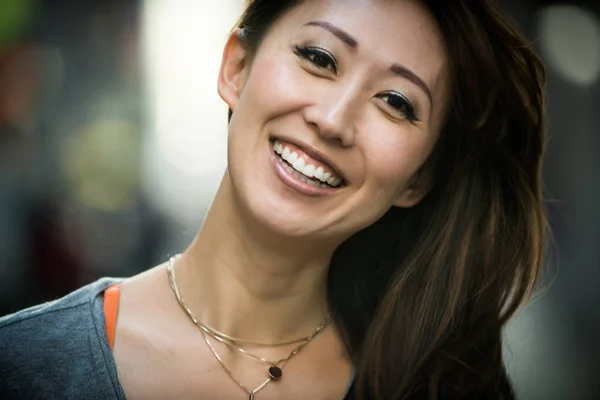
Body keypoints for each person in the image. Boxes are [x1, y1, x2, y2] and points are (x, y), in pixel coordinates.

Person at [0, 0, 547, 398]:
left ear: (417, 180)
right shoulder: (25, 364)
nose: (332, 121)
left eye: (396, 102)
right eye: (319, 57)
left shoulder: (434, 388)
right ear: (236, 67)